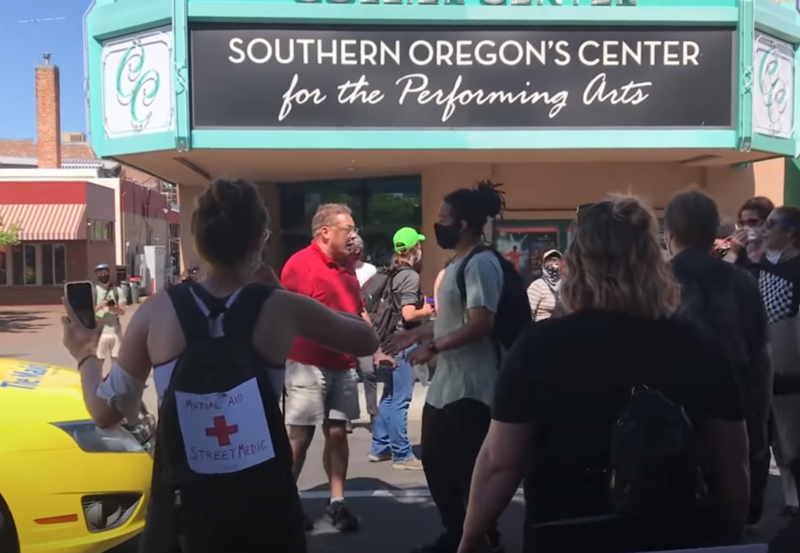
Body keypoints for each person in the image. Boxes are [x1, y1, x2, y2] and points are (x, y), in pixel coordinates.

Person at [60, 178, 378, 551]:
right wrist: (277, 288)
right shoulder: (281, 306)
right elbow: (365, 338)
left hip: (186, 512)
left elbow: (104, 411)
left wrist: (84, 354)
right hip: (264, 512)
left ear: (197, 239)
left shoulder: (158, 311)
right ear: (261, 239)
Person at [459, 196, 748, 553]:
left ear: (577, 264)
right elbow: (732, 459)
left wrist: (472, 537)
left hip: (566, 530)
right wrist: (732, 531)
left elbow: (500, 462)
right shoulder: (699, 345)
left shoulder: (541, 346)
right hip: (679, 532)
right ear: (653, 262)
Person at [384, 181, 506, 553]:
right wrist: (417, 334)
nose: (438, 225)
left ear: (464, 224)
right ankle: (458, 532)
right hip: (447, 386)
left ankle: (483, 538)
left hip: (473, 388)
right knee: (437, 464)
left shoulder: (481, 263)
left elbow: (481, 323)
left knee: (468, 471)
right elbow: (453, 320)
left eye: (443, 219)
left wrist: (433, 344)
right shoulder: (456, 265)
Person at [664, 191, 772, 530]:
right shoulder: (741, 281)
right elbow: (762, 356)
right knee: (736, 523)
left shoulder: (656, 281)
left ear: (669, 235)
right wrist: (760, 421)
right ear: (715, 232)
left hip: (672, 420)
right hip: (738, 411)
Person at [280, 203, 367, 532]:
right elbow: (288, 316)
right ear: (325, 231)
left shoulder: (348, 267)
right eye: (348, 230)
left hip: (343, 364)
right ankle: (285, 502)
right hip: (306, 365)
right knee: (300, 436)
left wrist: (371, 347)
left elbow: (356, 311)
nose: (354, 236)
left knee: (337, 433)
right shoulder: (298, 265)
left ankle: (337, 503)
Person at [368, 227, 432, 471]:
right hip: (403, 342)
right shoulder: (410, 276)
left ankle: (380, 447)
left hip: (387, 342)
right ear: (414, 248)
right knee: (401, 400)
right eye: (419, 244)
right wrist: (427, 311)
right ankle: (402, 455)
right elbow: (408, 313)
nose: (421, 249)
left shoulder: (392, 273)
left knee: (389, 396)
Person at [759, 207, 800, 503]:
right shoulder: (762, 265)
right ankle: (790, 498)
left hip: (791, 367)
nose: (764, 229)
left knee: (793, 439)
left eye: (771, 224)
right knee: (776, 441)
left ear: (791, 232)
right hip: (767, 368)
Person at [351, 234, 380, 428]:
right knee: (348, 374)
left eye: (357, 249)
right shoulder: (340, 271)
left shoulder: (370, 270)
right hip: (344, 325)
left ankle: (373, 413)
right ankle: (346, 416)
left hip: (364, 325)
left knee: (368, 372)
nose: (355, 252)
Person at [724, 196, 775, 276]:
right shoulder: (740, 251)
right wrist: (733, 252)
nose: (746, 228)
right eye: (742, 223)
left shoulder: (775, 254)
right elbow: (720, 275)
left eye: (752, 222)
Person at [93, 263, 127, 372]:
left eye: (105, 272)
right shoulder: (93, 291)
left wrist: (114, 307)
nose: (103, 275)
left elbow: (122, 312)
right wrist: (101, 306)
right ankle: (97, 383)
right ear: (96, 275)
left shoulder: (118, 291)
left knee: (116, 361)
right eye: (100, 273)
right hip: (100, 331)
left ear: (109, 273)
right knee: (98, 360)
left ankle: (114, 384)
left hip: (115, 331)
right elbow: (88, 312)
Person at [526, 250, 563, 321]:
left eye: (556, 261)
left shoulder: (566, 287)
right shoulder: (537, 286)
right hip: (542, 329)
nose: (553, 264)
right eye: (550, 260)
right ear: (544, 265)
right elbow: (527, 312)